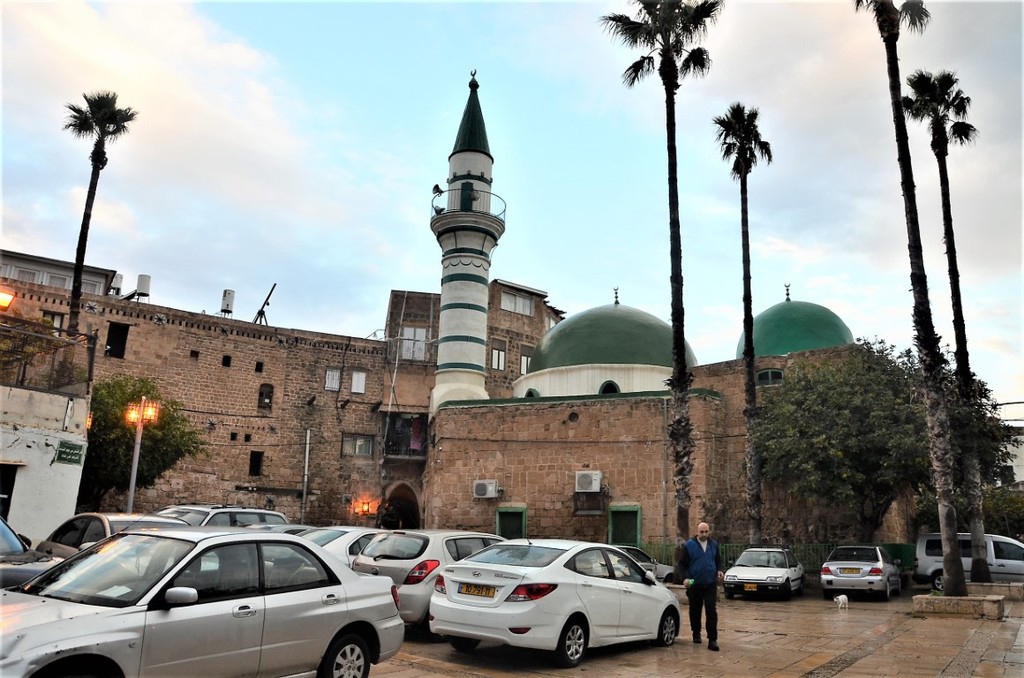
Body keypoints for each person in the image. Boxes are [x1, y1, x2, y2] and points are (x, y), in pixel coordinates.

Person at [680, 521, 725, 651]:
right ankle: (696, 632)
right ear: (697, 531)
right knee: (695, 610)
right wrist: (685, 578)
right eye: (702, 532)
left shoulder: (713, 545)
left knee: (711, 611)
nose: (704, 534)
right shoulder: (689, 545)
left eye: (706, 531)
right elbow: (682, 564)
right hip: (695, 584)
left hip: (710, 583)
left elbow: (718, 561)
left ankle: (712, 639)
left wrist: (720, 570)